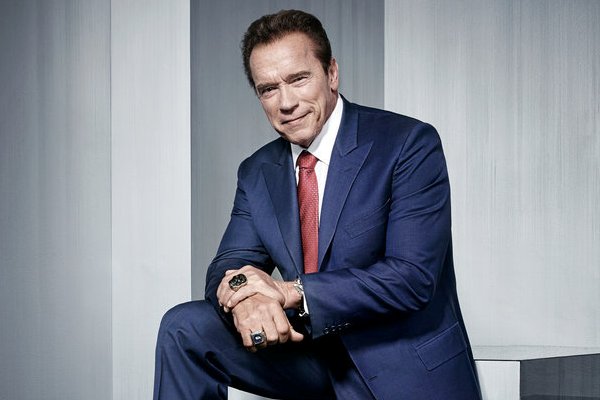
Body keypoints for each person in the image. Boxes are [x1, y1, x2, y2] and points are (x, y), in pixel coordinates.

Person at [154, 9, 482, 400]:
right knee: (183, 327)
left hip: (401, 365)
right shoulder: (257, 171)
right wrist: (247, 299)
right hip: (311, 358)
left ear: (332, 73)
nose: (286, 102)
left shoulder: (407, 144)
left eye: (298, 79)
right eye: (268, 89)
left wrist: (290, 291)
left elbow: (412, 279)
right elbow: (228, 266)